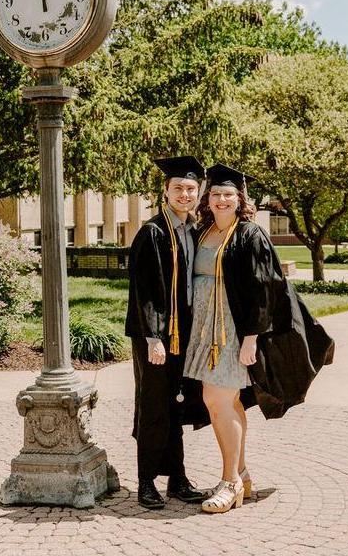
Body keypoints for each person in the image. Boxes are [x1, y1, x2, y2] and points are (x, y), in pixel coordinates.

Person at [184, 163, 335, 514]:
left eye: (228, 194)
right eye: (216, 194)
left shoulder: (249, 234)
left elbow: (264, 288)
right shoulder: (203, 232)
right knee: (223, 403)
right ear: (208, 198)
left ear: (240, 198)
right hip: (205, 330)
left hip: (233, 333)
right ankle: (241, 474)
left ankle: (229, 482)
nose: (221, 199)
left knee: (217, 400)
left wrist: (251, 337)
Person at [125, 156, 208, 509]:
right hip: (156, 337)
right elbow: (143, 290)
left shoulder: (193, 231)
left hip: (184, 334)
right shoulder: (154, 232)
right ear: (166, 191)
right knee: (154, 404)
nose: (185, 195)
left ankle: (177, 478)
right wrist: (154, 338)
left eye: (190, 189)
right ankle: (146, 481)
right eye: (178, 189)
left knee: (178, 404)